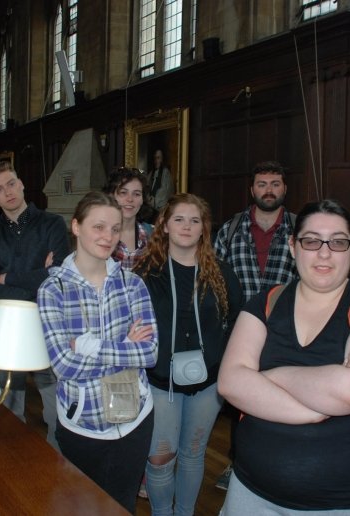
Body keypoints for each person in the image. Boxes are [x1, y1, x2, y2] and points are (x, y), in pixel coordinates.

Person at [217, 199, 350, 514]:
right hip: (251, 490)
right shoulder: (265, 304)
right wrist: (315, 408)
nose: (324, 252)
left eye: (338, 242)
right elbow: (231, 383)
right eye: (311, 240)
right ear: (292, 246)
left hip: (347, 501)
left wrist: (267, 377)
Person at [37, 191, 158, 512]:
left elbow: (149, 354)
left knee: (122, 506)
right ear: (76, 226)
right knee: (83, 506)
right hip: (82, 423)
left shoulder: (132, 284)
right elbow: (63, 366)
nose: (108, 237)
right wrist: (125, 348)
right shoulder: (53, 289)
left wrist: (89, 346)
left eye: (115, 229)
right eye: (99, 227)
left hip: (135, 420)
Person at [133, 193, 242, 516]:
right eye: (179, 219)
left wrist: (222, 359)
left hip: (206, 380)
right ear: (164, 225)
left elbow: (238, 319)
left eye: (195, 220)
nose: (187, 226)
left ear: (203, 229)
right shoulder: (145, 272)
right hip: (159, 379)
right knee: (159, 458)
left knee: (194, 453)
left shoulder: (220, 271)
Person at [212, 160, 299, 489]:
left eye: (275, 183)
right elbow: (214, 276)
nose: (269, 190)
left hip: (286, 331)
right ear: (252, 189)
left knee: (282, 396)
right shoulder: (231, 229)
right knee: (241, 403)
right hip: (240, 331)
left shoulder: (299, 228)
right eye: (262, 183)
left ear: (284, 189)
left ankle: (279, 465)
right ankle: (237, 465)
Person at [0, 160, 70, 450]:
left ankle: (58, 469)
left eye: (11, 183)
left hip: (49, 326)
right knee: (7, 413)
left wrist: (8, 278)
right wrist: (36, 280)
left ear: (21, 183)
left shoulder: (52, 223)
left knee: (57, 413)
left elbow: (58, 278)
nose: (8, 192)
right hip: (7, 330)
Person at [103, 167, 153, 270]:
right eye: (123, 193)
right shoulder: (99, 234)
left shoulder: (152, 234)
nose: (130, 199)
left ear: (142, 199)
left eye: (136, 194)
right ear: (111, 196)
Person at [144, 149, 175, 223]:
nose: (156, 161)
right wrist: (149, 198)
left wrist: (154, 200)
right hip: (150, 208)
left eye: (158, 158)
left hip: (160, 208)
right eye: (155, 158)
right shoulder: (151, 173)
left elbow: (165, 191)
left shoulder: (165, 173)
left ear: (162, 159)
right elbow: (146, 187)